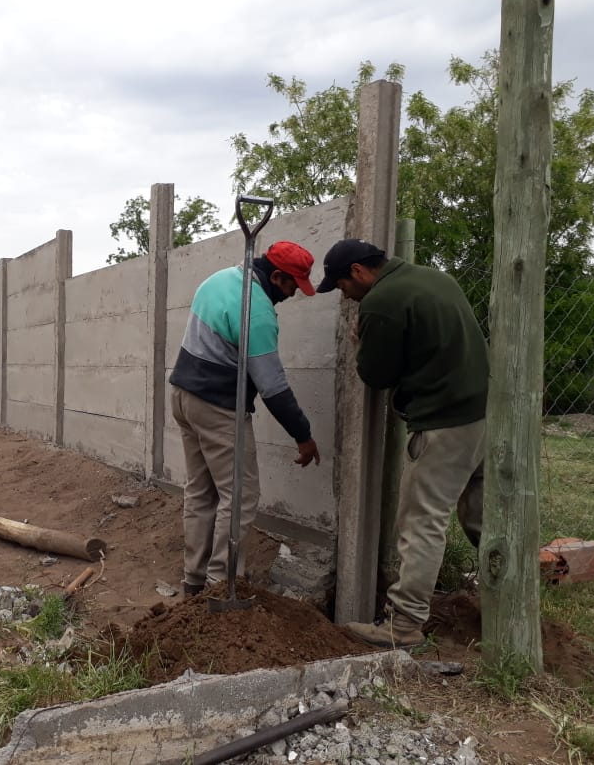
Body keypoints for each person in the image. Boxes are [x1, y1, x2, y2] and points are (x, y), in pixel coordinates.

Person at [315, 238, 489, 647]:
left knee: (422, 521)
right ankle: (511, 604)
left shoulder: (382, 301)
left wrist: (360, 344)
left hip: (445, 421)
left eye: (342, 285)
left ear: (358, 272)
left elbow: (376, 375)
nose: (344, 296)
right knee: (483, 518)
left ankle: (405, 624)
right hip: (484, 413)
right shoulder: (435, 278)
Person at [170, 240, 322, 597]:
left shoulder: (220, 279)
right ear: (277, 276)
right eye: (292, 286)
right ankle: (221, 584)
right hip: (217, 406)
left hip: (183, 396)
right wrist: (303, 435)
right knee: (240, 495)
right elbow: (273, 387)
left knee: (202, 491)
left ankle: (195, 580)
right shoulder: (257, 312)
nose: (291, 295)